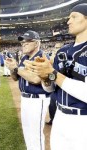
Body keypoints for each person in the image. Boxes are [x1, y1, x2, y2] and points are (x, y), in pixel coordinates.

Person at [24, 3, 87, 150]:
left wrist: (52, 73)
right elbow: (51, 88)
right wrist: (45, 77)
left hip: (83, 121)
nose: (68, 21)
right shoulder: (63, 50)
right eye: (68, 17)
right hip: (59, 117)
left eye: (74, 17)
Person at [6, 30, 50, 150]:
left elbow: (36, 79)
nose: (23, 44)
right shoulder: (24, 58)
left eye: (27, 41)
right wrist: (11, 69)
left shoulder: (42, 58)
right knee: (27, 133)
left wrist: (16, 67)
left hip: (38, 100)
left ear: (36, 43)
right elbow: (15, 78)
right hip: (25, 98)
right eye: (22, 42)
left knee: (36, 135)